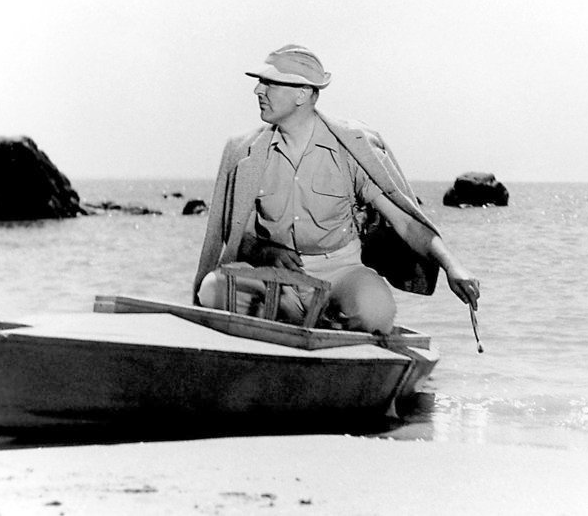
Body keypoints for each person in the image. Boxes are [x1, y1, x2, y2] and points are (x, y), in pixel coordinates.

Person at [193, 44, 480, 334]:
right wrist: (265, 252)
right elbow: (238, 237)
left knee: (376, 311)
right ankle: (298, 321)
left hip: (340, 275)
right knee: (212, 290)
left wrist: (452, 266)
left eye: (270, 83)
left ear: (302, 94)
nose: (258, 90)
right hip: (277, 279)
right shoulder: (248, 154)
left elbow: (406, 224)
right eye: (260, 82)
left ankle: (319, 319)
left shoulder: (349, 150)